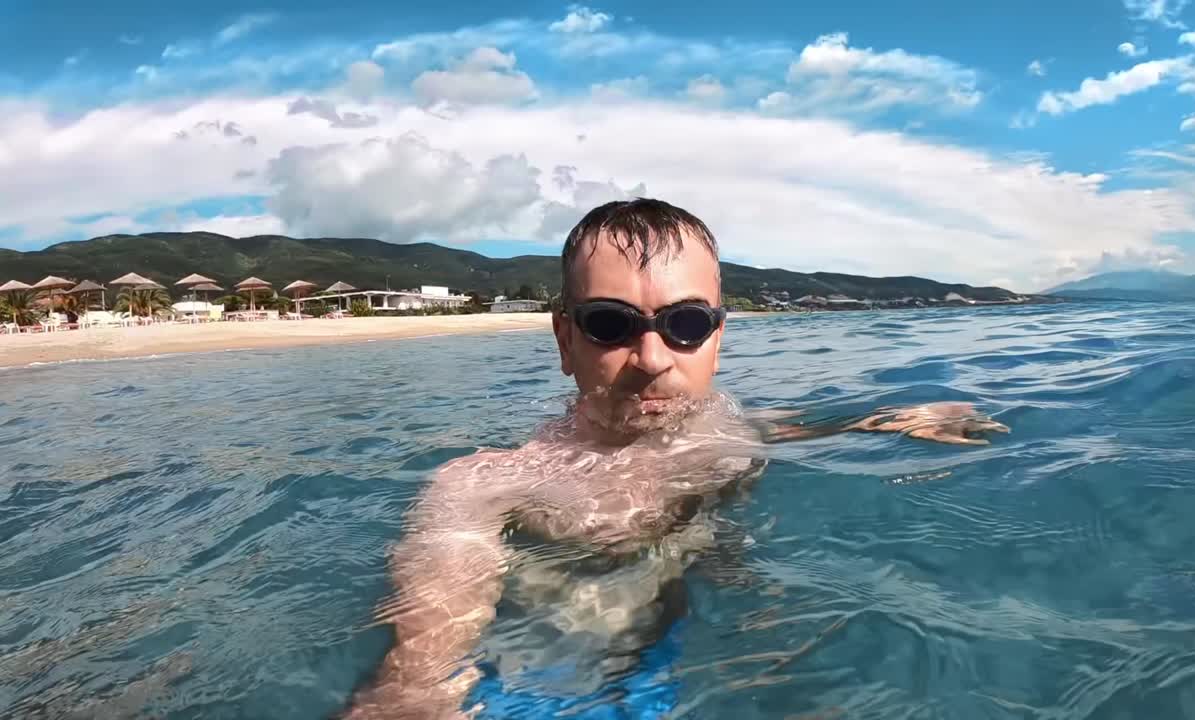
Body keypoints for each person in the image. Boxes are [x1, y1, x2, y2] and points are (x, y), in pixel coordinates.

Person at [342, 198, 1009, 719]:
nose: (654, 358)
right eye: (611, 324)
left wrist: (884, 420)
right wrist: (418, 684)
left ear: (719, 336)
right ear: (565, 339)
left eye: (685, 324)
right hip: (564, 674)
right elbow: (423, 664)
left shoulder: (723, 423)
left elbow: (775, 429)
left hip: (727, 632)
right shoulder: (492, 484)